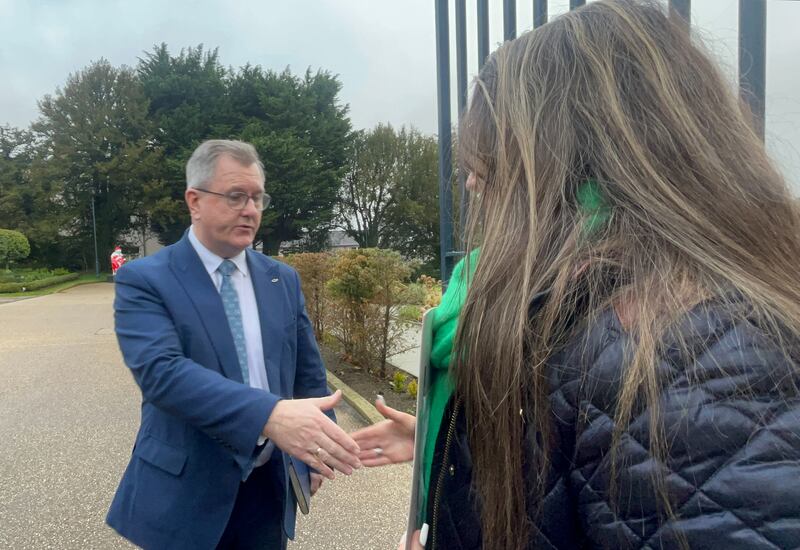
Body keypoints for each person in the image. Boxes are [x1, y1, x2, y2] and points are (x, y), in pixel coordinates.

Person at [353, 1, 800, 548]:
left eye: (487, 158)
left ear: (561, 158)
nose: (472, 184)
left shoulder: (685, 361)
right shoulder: (611, 319)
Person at [107, 139, 361, 550]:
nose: (250, 209)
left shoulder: (282, 278)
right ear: (195, 201)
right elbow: (161, 374)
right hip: (186, 492)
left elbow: (308, 375)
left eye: (258, 198)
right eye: (235, 196)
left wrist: (319, 448)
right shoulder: (146, 279)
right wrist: (270, 415)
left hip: (267, 488)